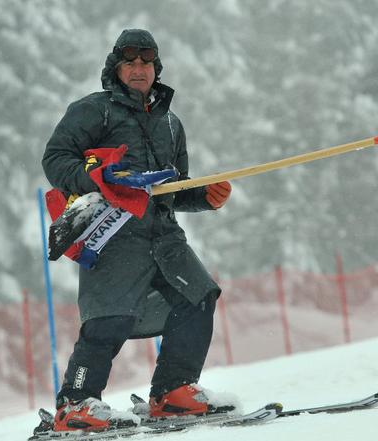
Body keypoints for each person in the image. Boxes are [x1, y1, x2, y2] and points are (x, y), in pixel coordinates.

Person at [41, 29, 235, 432]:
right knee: (108, 319)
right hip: (114, 234)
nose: (138, 69)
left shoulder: (171, 123)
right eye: (129, 62)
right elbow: (56, 159)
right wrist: (97, 178)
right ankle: (75, 403)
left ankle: (173, 392)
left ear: (156, 69)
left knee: (198, 298)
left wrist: (204, 196)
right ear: (116, 68)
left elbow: (172, 188)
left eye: (146, 62)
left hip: (165, 237)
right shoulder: (94, 111)